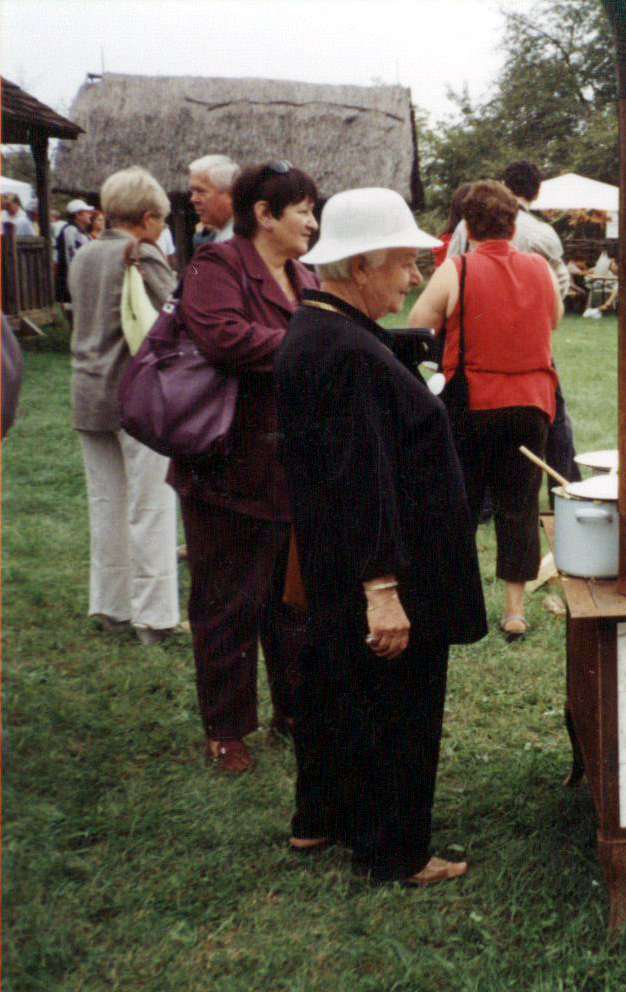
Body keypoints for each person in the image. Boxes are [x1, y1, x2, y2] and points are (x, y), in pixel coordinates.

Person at [276, 187, 485, 886]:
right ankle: (395, 850)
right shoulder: (347, 353)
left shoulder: (320, 330)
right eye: (402, 262)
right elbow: (362, 478)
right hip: (382, 564)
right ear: (360, 265)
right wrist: (384, 589)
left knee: (337, 687)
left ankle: (320, 817)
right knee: (397, 706)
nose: (414, 277)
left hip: (337, 557)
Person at [172, 161, 320, 774]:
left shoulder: (306, 274)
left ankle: (294, 709)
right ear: (263, 214)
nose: (312, 222)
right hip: (225, 466)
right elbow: (222, 337)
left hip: (292, 466)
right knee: (226, 600)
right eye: (303, 211)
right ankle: (227, 730)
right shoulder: (215, 265)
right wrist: (312, 344)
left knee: (291, 600)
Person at [408, 180, 562, 641]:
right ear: (513, 225)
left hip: (472, 403)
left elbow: (418, 325)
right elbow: (554, 320)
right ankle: (514, 611)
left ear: (467, 227)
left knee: (462, 504)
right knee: (520, 505)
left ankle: (456, 602)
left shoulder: (456, 269)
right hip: (532, 403)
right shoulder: (540, 268)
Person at [67, 167, 181, 645]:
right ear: (148, 217)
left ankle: (112, 607)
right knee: (151, 506)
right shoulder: (142, 255)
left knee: (106, 505)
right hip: (136, 397)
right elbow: (176, 315)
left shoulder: (85, 254)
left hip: (87, 391)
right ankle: (154, 619)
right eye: (161, 221)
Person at [501, 160, 580, 502]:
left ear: (504, 186)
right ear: (535, 192)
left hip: (481, 336)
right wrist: (540, 318)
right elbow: (560, 281)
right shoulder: (542, 233)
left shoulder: (468, 226)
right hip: (531, 339)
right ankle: (564, 486)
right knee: (553, 415)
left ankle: (488, 497)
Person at [188, 154, 239, 244]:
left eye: (200, 191)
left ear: (230, 194)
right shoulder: (224, 235)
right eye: (192, 192)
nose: (193, 199)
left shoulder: (239, 240)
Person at [54, 199, 94, 305]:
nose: (90, 214)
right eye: (86, 212)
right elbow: (70, 258)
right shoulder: (70, 230)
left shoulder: (84, 232)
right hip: (72, 282)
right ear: (78, 215)